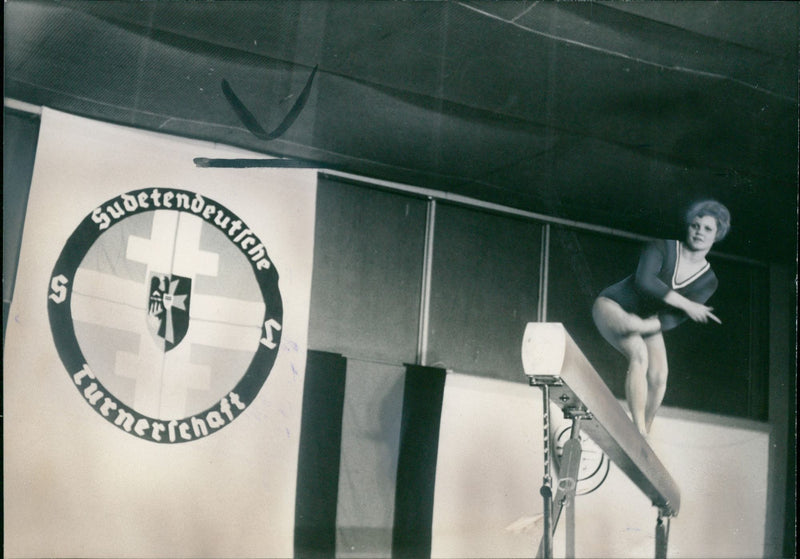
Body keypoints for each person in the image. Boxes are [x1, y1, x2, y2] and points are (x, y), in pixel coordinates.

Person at [592, 200, 731, 437]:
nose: (699, 232)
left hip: (647, 320)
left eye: (707, 229)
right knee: (639, 352)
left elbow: (674, 318)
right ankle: (637, 428)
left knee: (659, 376)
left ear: (717, 234)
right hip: (612, 306)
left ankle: (646, 429)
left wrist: (649, 324)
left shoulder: (709, 280)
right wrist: (687, 304)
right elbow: (644, 281)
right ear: (688, 227)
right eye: (695, 226)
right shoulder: (662, 247)